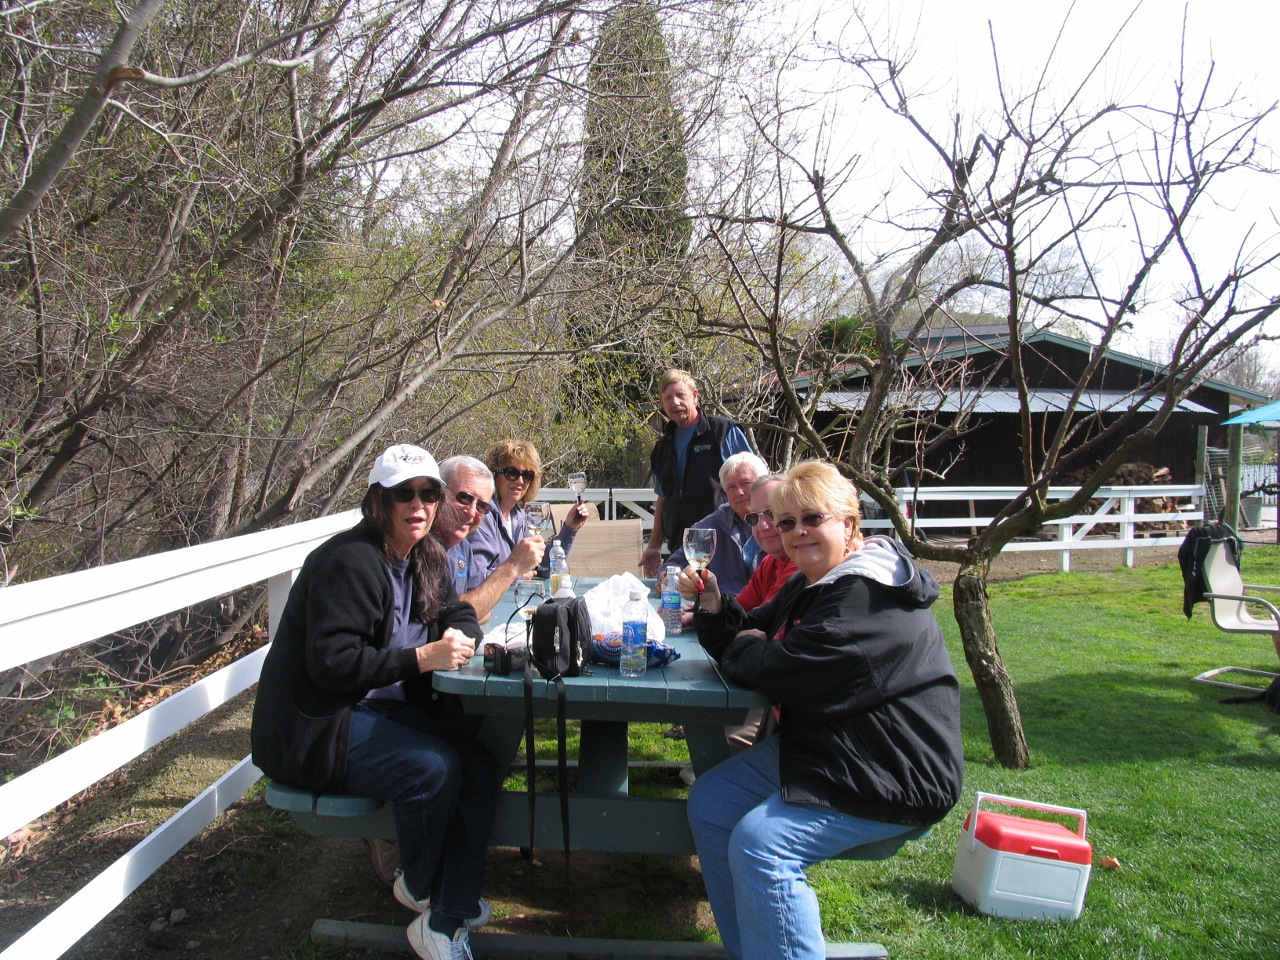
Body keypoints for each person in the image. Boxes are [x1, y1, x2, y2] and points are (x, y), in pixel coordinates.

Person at [683, 461, 963, 960]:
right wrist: (714, 605)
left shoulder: (866, 596)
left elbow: (781, 669)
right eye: (786, 522)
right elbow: (751, 627)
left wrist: (753, 646)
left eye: (812, 518)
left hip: (892, 765)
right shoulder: (812, 583)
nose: (796, 532)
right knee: (712, 801)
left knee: (763, 846)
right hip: (832, 744)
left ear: (849, 524)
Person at [251, 444, 497, 960]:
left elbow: (459, 612)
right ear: (376, 504)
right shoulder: (348, 562)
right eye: (402, 494)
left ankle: (444, 915)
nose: (419, 505)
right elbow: (333, 664)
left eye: (429, 494)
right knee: (432, 768)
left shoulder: (427, 555)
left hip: (376, 710)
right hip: (319, 723)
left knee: (478, 762)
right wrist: (423, 657)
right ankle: (424, 884)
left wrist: (456, 631)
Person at [677, 472, 800, 755]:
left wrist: (742, 637)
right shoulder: (771, 563)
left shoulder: (801, 568)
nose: (765, 525)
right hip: (765, 690)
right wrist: (711, 602)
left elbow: (765, 645)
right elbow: (744, 620)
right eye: (754, 518)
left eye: (774, 514)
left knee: (711, 742)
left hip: (785, 712)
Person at [641, 369, 752, 577]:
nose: (674, 402)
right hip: (681, 550)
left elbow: (755, 484)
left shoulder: (723, 432)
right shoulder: (662, 447)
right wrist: (654, 546)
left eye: (680, 395)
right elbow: (663, 498)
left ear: (695, 396)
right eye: (667, 398)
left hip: (726, 545)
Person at [437, 455, 543, 623]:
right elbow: (450, 616)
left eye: (481, 505)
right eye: (464, 498)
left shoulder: (463, 545)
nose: (471, 512)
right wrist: (513, 568)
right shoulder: (421, 548)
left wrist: (569, 529)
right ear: (438, 493)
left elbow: (479, 605)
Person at [467, 440, 589, 586]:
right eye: (511, 473)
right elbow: (474, 577)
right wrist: (516, 574)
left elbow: (542, 567)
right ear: (494, 476)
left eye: (527, 475)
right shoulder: (482, 516)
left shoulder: (517, 516)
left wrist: (570, 528)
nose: (520, 481)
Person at [663, 452, 770, 596]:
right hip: (722, 609)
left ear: (763, 483)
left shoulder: (782, 525)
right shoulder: (710, 527)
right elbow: (673, 565)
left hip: (770, 609)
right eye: (731, 487)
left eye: (746, 483)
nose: (739, 492)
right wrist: (671, 579)